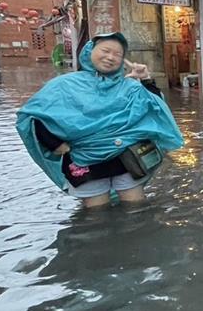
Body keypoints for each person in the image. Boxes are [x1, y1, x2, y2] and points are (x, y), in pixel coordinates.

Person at [16, 32, 184, 207]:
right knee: (96, 213)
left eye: (118, 54)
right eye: (105, 51)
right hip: (85, 159)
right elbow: (33, 116)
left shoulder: (129, 86)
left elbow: (156, 108)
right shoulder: (64, 85)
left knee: (136, 207)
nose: (110, 57)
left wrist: (146, 80)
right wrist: (54, 143)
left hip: (126, 160)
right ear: (90, 50)